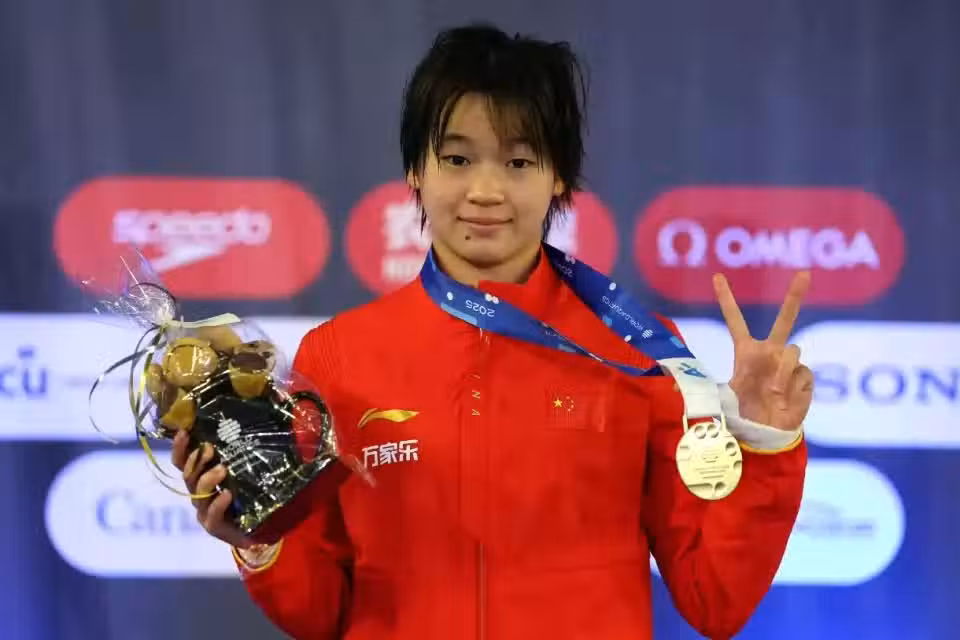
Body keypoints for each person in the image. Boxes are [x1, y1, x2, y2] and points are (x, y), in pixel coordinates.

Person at [173, 23, 811, 640]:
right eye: (456, 158)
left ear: (558, 176)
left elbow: (715, 599)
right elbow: (320, 615)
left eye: (518, 161)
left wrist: (765, 444)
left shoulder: (638, 351)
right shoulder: (338, 356)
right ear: (416, 169)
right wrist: (259, 539)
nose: (485, 190)